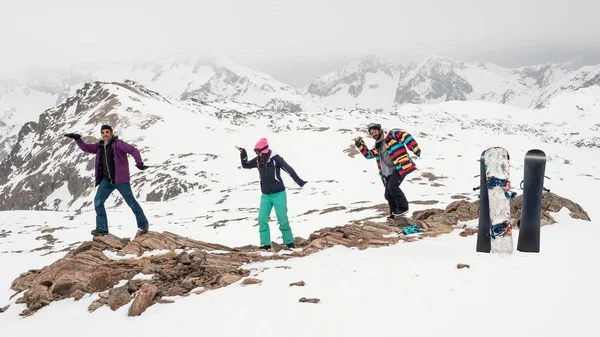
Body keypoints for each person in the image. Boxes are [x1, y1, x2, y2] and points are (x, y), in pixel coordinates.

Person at [64, 124, 150, 237]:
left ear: (111, 132)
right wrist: (77, 139)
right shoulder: (99, 146)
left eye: (107, 132)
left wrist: (139, 163)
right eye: (103, 132)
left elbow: (133, 150)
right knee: (98, 202)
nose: (105, 134)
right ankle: (102, 228)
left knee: (131, 203)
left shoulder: (118, 144)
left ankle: (143, 225)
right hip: (107, 181)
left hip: (121, 181)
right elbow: (86, 148)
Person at [236, 137, 307, 250]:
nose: (257, 154)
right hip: (265, 196)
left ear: (264, 150)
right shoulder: (259, 160)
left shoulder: (275, 159)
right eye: (255, 152)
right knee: (262, 219)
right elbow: (246, 165)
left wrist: (299, 181)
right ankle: (265, 245)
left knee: (282, 219)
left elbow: (288, 169)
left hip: (279, 194)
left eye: (258, 151)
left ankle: (289, 243)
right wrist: (243, 153)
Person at [354, 123, 421, 220]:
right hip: (388, 172)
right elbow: (368, 155)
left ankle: (403, 208)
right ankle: (393, 215)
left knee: (392, 186)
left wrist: (415, 148)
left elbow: (405, 135)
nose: (374, 135)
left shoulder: (391, 136)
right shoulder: (378, 146)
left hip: (400, 167)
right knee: (388, 194)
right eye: (372, 133)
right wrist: (359, 143)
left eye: (375, 132)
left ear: (380, 130)